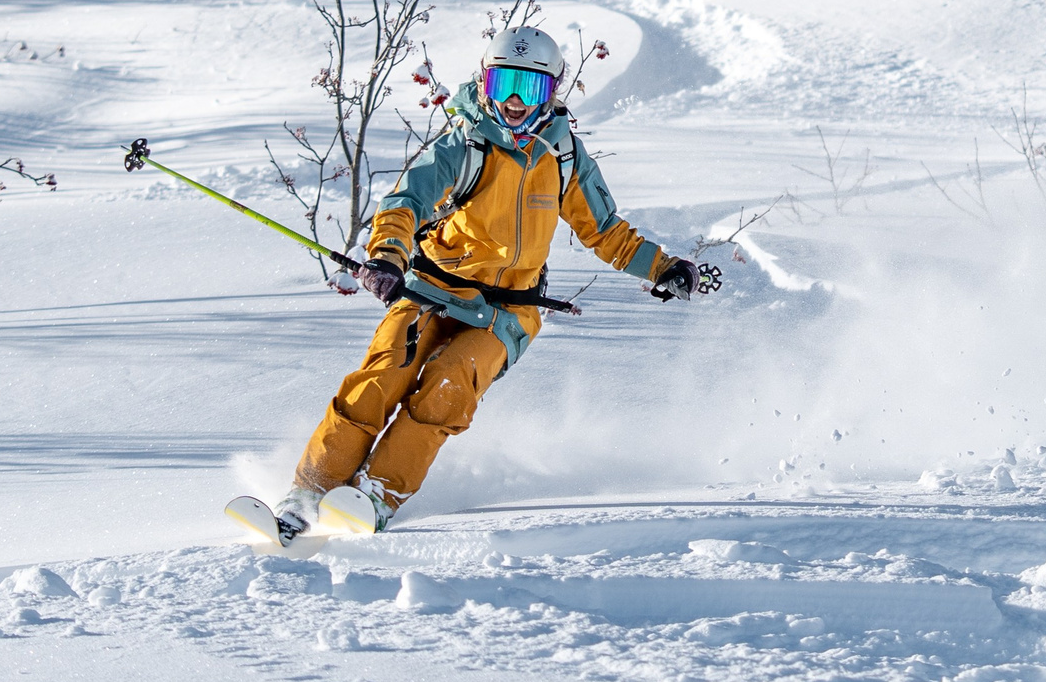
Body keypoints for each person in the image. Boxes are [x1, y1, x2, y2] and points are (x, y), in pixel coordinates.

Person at [277, 26, 719, 538]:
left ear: (551, 91)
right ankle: (310, 492)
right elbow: (405, 203)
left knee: (447, 387)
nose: (513, 101)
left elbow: (604, 230)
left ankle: (375, 494)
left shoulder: (564, 158)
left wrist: (662, 268)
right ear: (484, 82)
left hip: (507, 312)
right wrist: (389, 259)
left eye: (528, 87)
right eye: (502, 83)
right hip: (430, 291)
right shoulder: (462, 146)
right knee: (381, 378)